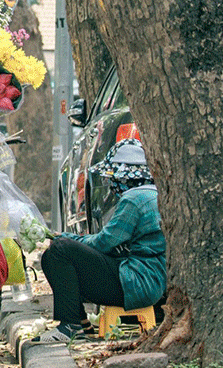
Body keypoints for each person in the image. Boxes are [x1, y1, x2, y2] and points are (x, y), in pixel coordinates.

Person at [36, 138, 166, 342]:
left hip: (136, 283)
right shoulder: (156, 194)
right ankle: (80, 323)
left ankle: (70, 326)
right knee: (53, 255)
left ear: (123, 178)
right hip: (152, 284)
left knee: (60, 250)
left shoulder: (134, 199)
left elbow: (104, 242)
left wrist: (68, 238)